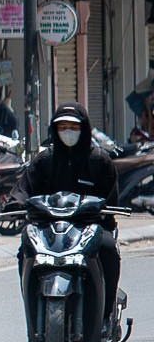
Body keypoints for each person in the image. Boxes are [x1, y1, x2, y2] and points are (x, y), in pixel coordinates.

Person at [18, 103, 120, 316]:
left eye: (73, 127)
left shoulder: (99, 161)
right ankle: (33, 310)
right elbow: (24, 188)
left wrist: (105, 214)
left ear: (84, 129)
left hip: (89, 228)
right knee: (24, 251)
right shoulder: (45, 159)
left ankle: (106, 311)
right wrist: (17, 203)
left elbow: (111, 199)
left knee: (109, 249)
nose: (67, 132)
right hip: (49, 228)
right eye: (62, 127)